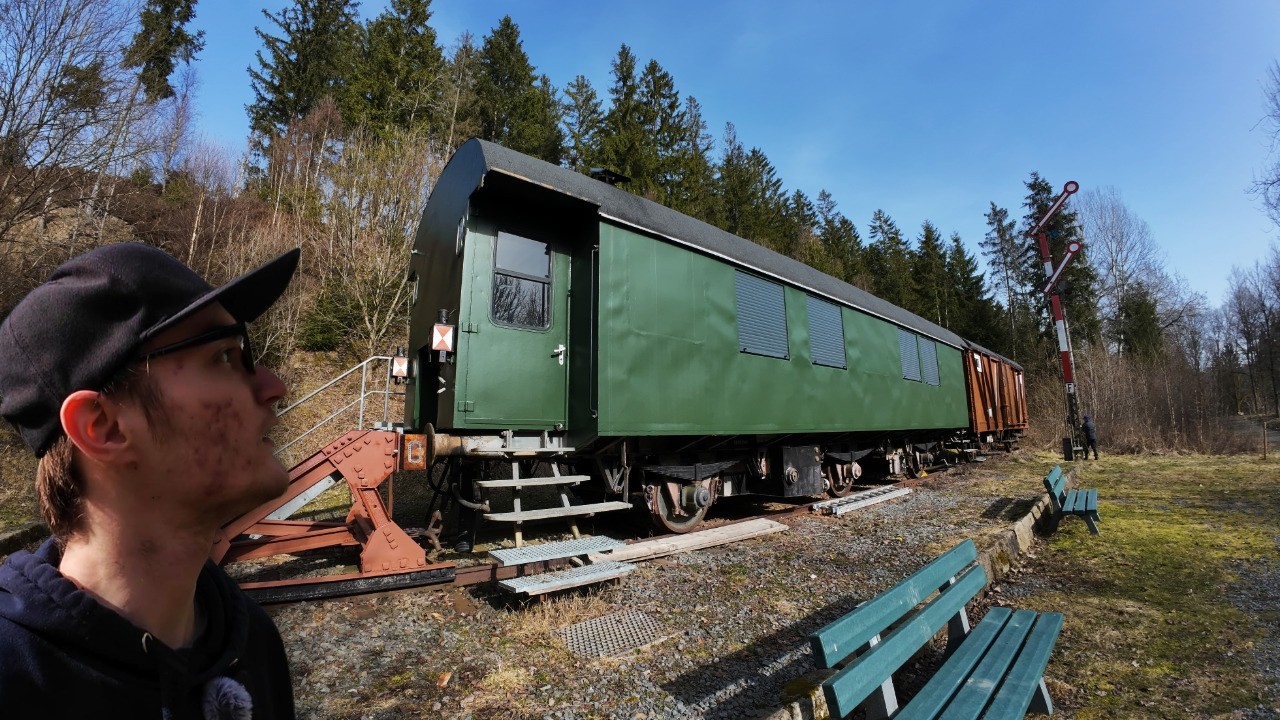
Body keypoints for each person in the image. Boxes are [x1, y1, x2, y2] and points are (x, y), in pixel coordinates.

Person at [0, 242, 300, 718]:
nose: (272, 386)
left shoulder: (254, 645)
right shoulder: (13, 677)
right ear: (103, 426)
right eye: (225, 356)